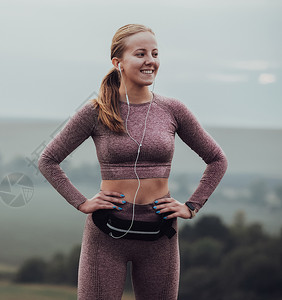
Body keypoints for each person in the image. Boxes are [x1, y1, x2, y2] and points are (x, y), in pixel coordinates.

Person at [38, 24, 227, 300]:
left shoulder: (173, 109)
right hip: (106, 233)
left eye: (155, 53)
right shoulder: (96, 110)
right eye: (140, 54)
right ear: (118, 63)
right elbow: (48, 159)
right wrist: (81, 202)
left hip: (160, 234)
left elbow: (217, 159)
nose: (150, 61)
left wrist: (191, 206)